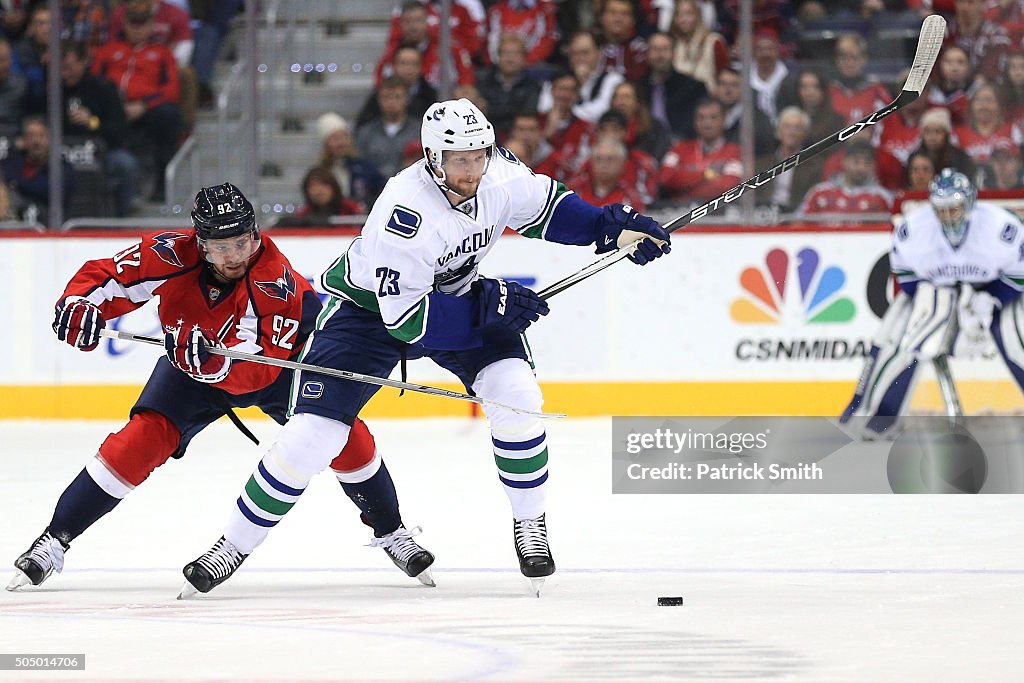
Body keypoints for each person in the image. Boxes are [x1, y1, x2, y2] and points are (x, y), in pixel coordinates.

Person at [180, 99, 671, 596]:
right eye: (459, 159)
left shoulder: (499, 171)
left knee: (517, 396)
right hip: (368, 315)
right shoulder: (405, 209)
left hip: (456, 296)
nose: (472, 169)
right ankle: (232, 546)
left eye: (478, 155)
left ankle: (531, 525)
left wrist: (613, 226)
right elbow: (408, 321)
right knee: (313, 437)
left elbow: (552, 210)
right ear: (433, 158)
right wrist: (489, 309)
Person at [7, 183, 434, 592]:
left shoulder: (275, 281)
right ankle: (53, 539)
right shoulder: (172, 254)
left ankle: (391, 530)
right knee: (137, 443)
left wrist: (214, 360)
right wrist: (80, 304)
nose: (234, 256)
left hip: (282, 365)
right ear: (201, 243)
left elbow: (259, 372)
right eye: (221, 247)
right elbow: (108, 276)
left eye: (241, 243)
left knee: (341, 434)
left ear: (255, 234)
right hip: (190, 366)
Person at [841, 170, 1024, 437]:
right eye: (942, 209)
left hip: (994, 288)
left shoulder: (1001, 227)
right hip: (938, 291)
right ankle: (878, 417)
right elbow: (906, 276)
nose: (948, 215)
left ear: (970, 202)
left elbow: (1018, 275)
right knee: (903, 342)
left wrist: (991, 299)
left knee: (1016, 342)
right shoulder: (913, 230)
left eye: (955, 208)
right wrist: (936, 304)